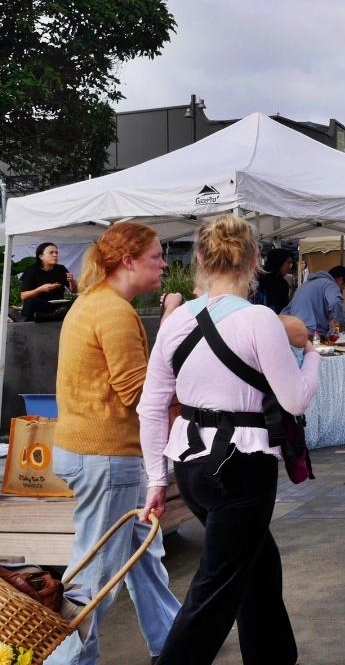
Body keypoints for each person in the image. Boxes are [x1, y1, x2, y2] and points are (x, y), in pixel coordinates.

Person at [138, 214, 320, 665]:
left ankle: (275, 656)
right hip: (243, 465)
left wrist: (156, 482)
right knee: (215, 592)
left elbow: (151, 406)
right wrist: (313, 354)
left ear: (199, 258)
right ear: (255, 260)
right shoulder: (260, 319)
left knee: (257, 563)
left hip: (191, 465)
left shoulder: (176, 321)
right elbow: (295, 400)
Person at [49, 223, 182, 665]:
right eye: (156, 256)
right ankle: (62, 660)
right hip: (106, 458)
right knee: (97, 577)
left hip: (98, 453)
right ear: (128, 261)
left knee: (142, 555)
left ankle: (176, 642)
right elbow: (139, 393)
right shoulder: (112, 312)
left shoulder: (95, 302)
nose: (165, 264)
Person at [281, 264, 345, 336]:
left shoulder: (305, 285)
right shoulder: (330, 284)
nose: (343, 289)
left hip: (294, 331)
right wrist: (339, 320)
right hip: (312, 333)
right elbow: (335, 302)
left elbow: (287, 310)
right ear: (340, 280)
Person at [20, 241, 78, 321]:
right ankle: (53, 316)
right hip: (41, 305)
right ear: (41, 257)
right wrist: (40, 289)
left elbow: (74, 291)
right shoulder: (32, 271)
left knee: (78, 299)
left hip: (57, 306)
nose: (55, 255)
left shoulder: (61, 269)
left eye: (56, 253)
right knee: (32, 301)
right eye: (51, 253)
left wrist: (71, 281)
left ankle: (50, 316)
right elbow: (24, 296)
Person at [256, 248, 294, 313]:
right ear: (279, 261)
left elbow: (284, 308)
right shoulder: (258, 280)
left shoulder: (283, 284)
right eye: (288, 263)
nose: (289, 267)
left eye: (291, 264)